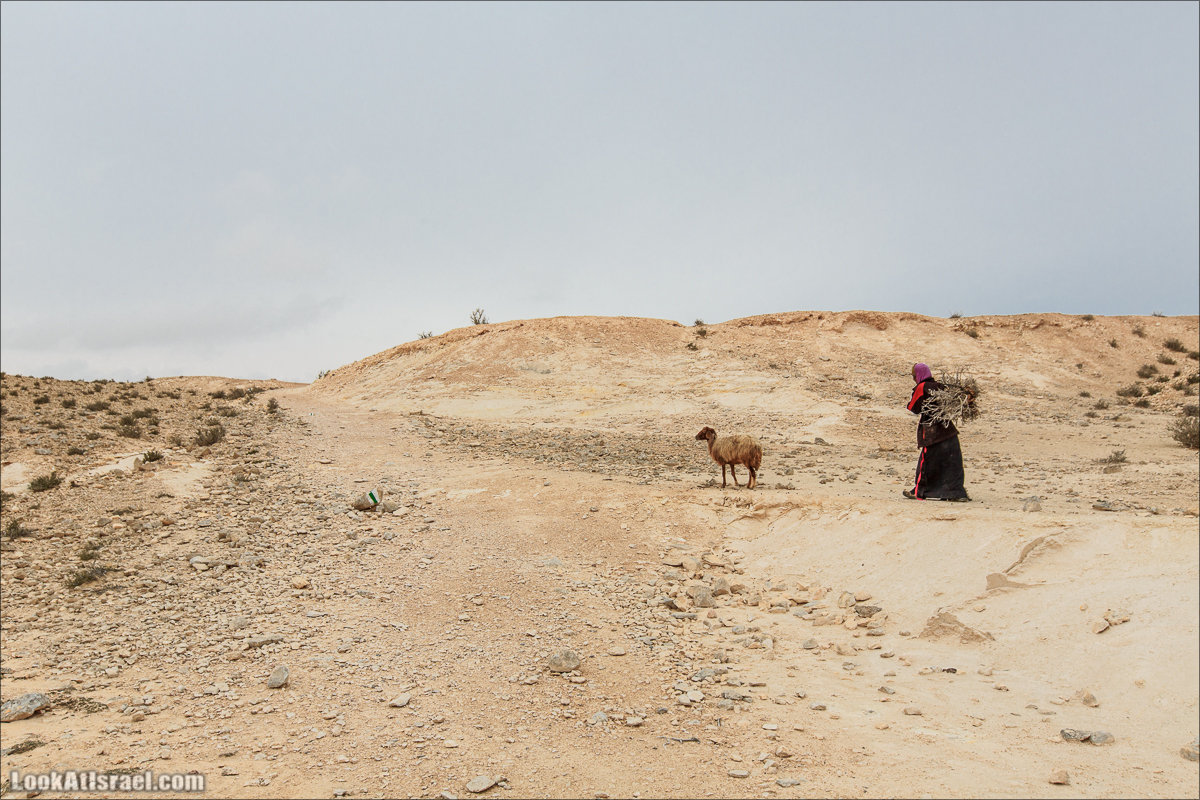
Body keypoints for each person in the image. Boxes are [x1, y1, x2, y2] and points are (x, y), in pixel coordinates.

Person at [904, 363, 970, 501]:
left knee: (926, 462)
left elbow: (913, 407)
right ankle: (955, 493)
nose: (913, 379)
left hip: (932, 432)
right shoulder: (940, 386)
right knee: (952, 463)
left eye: (914, 376)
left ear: (918, 375)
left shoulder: (922, 387)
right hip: (948, 430)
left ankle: (919, 491)